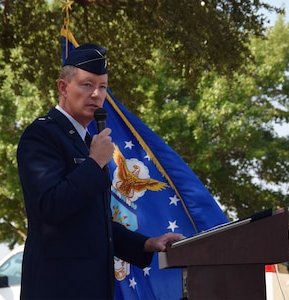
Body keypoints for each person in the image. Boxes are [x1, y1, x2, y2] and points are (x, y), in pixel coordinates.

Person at [17, 43, 184, 300]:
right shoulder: (42, 135)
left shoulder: (85, 143)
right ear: (63, 87)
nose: (96, 94)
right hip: (58, 290)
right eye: (87, 84)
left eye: (102, 87)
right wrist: (94, 163)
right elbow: (50, 206)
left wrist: (146, 244)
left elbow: (94, 223)